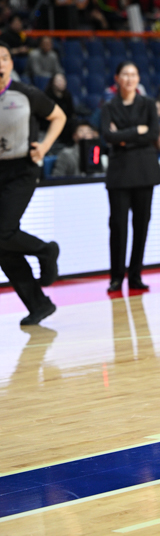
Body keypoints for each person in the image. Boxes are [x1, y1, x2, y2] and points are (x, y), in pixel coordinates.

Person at [0, 40, 66, 326]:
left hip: (23, 170)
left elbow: (59, 116)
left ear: (10, 63)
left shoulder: (25, 93)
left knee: (3, 232)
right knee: (2, 246)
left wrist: (45, 146)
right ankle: (39, 304)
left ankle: (45, 250)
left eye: (3, 58)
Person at [101, 62, 160, 293]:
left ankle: (135, 275)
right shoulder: (109, 106)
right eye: (125, 74)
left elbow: (154, 133)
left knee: (141, 225)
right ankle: (116, 277)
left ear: (138, 78)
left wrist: (122, 136)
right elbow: (108, 136)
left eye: (133, 74)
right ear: (117, 78)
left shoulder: (148, 104)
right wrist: (137, 131)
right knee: (118, 227)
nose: (129, 78)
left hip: (144, 171)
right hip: (119, 173)